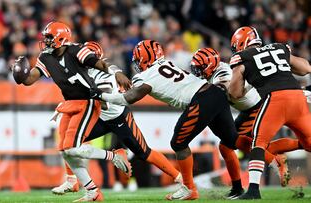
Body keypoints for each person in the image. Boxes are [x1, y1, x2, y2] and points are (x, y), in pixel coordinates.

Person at [95, 40, 242, 200]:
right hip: (215, 94)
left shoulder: (146, 75)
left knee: (178, 143)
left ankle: (189, 188)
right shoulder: (167, 63)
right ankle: (262, 161)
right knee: (233, 142)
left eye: (138, 59)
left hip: (202, 99)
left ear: (144, 58)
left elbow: (130, 98)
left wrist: (100, 95)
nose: (137, 63)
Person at [11, 21, 132, 202]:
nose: (46, 41)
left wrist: (117, 72)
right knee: (65, 151)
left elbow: (99, 63)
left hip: (88, 102)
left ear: (61, 37)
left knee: (72, 148)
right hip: (70, 103)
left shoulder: (76, 50)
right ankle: (92, 191)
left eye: (50, 37)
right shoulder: (45, 57)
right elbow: (30, 80)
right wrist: (19, 74)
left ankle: (113, 156)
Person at [52, 41, 182, 195]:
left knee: (144, 152)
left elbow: (103, 102)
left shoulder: (99, 75)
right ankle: (73, 180)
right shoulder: (88, 70)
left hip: (118, 117)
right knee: (70, 143)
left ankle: (181, 179)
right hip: (99, 117)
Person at [190, 47, 302, 188]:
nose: (196, 72)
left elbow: (224, 88)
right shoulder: (216, 70)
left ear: (210, 66)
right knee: (232, 146)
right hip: (248, 109)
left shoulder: (222, 76)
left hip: (256, 107)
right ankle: (238, 186)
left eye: (199, 68)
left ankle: (279, 160)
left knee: (249, 145)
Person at [228, 26, 311, 199]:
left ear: (241, 43)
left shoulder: (242, 58)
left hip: (276, 100)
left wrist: (242, 78)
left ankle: (253, 190)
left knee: (258, 143)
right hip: (297, 98)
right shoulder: (279, 48)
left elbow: (235, 93)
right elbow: (305, 68)